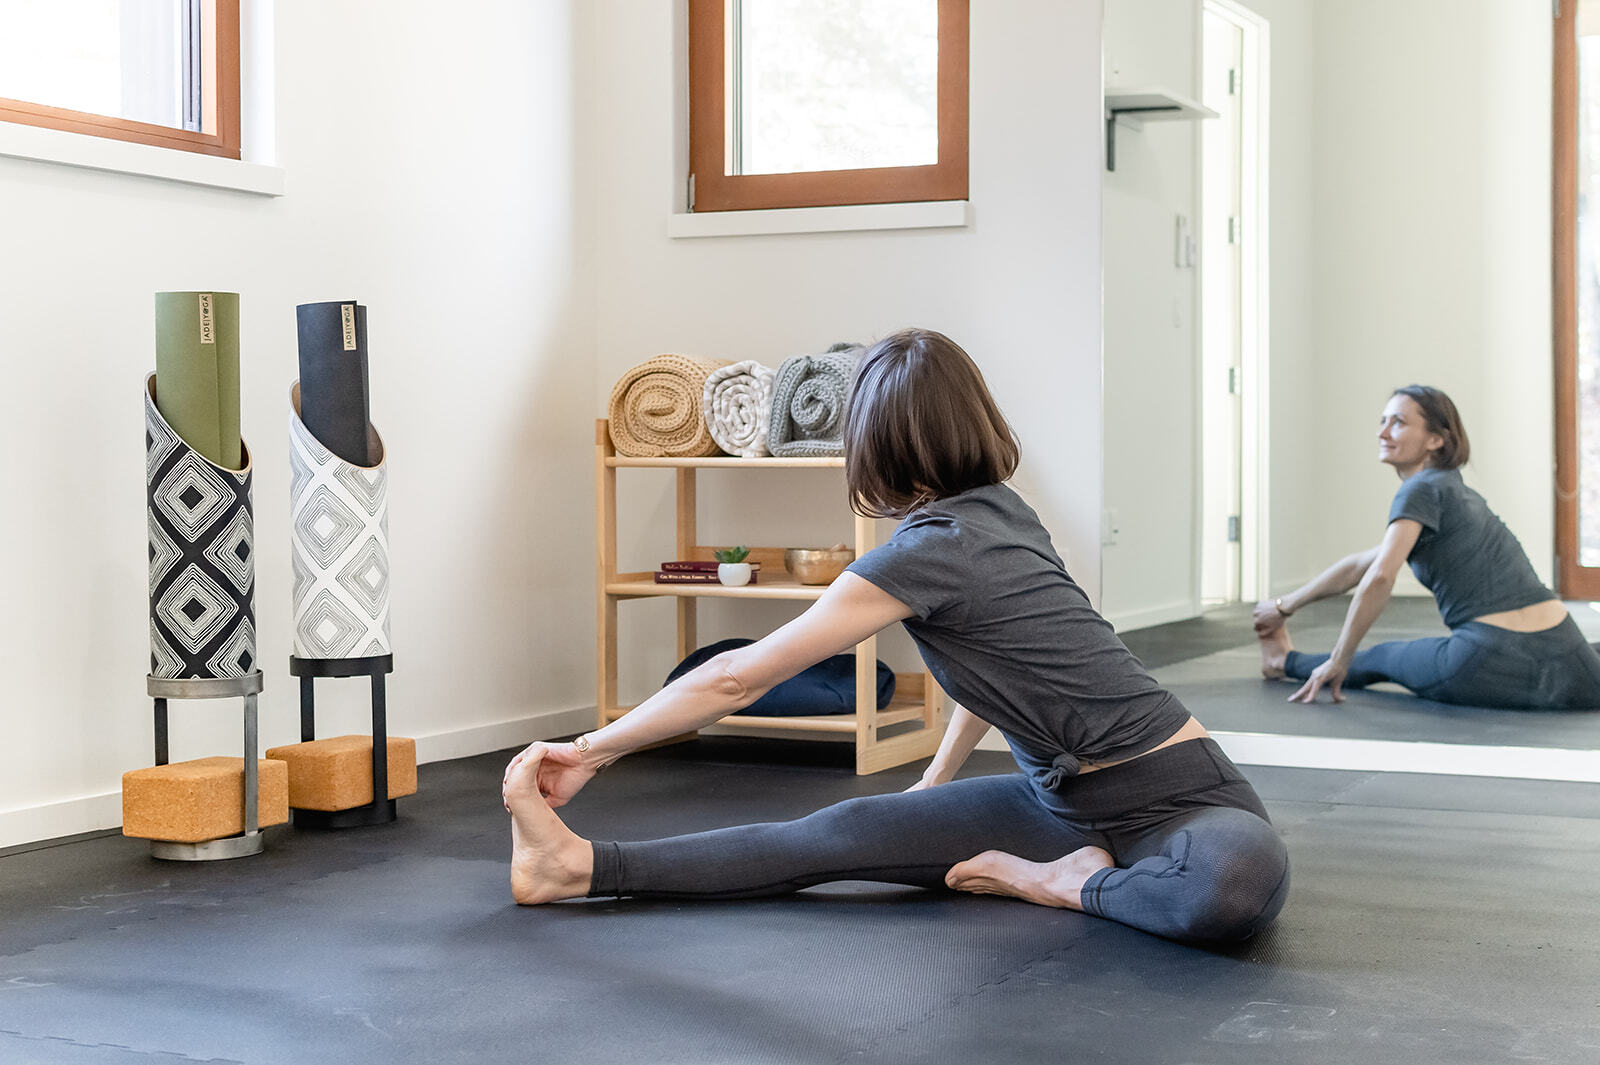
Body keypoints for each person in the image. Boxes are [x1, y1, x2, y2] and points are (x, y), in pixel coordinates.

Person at [503, 328, 1289, 943]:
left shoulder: (941, 544)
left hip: (1182, 794)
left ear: (876, 443)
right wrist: (932, 788)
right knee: (836, 834)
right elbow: (990, 677)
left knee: (1231, 886)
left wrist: (592, 748)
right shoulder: (991, 515)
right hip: (1053, 807)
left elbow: (737, 677)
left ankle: (1057, 883)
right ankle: (574, 866)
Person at [1255, 385, 1600, 708]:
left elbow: (1378, 577)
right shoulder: (1457, 493)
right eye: (1382, 421)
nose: (1383, 432)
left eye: (1399, 422)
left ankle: (1282, 661)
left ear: (1436, 439)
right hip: (1572, 663)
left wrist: (1339, 660)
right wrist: (1285, 606)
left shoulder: (1419, 489)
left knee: (1381, 658)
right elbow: (1363, 565)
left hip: (1486, 662)